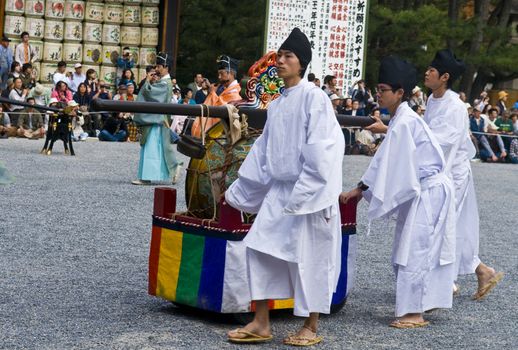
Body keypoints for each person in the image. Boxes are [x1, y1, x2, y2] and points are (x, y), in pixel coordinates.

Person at [226, 28, 344, 346]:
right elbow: (264, 153)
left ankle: (311, 325)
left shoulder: (315, 98)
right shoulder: (276, 104)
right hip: (281, 191)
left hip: (310, 192)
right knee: (257, 248)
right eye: (279, 56)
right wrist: (241, 191)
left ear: (301, 63)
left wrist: (308, 191)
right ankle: (262, 322)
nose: (280, 61)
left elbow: (323, 149)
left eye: (287, 56)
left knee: (310, 258)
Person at [341, 56, 456, 328]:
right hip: (425, 189)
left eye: (383, 90)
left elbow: (385, 163)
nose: (378, 95)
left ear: (400, 93)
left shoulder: (404, 121)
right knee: (409, 249)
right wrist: (361, 189)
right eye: (378, 89)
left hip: (430, 191)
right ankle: (419, 305)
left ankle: (415, 313)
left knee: (414, 251)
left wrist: (359, 190)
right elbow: (389, 162)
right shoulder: (401, 119)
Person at [132, 52, 181, 185]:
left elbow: (150, 94)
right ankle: (174, 168)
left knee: (151, 148)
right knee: (161, 148)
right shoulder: (164, 82)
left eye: (159, 66)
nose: (156, 69)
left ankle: (146, 177)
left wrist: (148, 81)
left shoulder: (165, 83)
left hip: (156, 119)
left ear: (166, 67)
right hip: (158, 118)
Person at [191, 54, 242, 136]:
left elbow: (223, 110)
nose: (219, 77)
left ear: (231, 73)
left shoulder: (236, 92)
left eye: (221, 73)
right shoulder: (226, 89)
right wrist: (211, 92)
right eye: (218, 74)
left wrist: (212, 93)